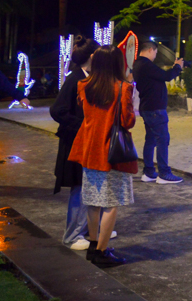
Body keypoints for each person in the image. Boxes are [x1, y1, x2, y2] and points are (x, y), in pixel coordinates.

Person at [67, 46, 136, 268]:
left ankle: (93, 245)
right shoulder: (123, 88)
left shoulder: (83, 85)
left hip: (89, 150)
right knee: (111, 204)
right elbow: (127, 121)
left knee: (93, 202)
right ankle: (102, 252)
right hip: (111, 152)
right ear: (117, 64)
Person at [50, 35, 116, 251]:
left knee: (90, 186)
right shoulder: (75, 79)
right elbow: (57, 111)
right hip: (75, 143)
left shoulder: (90, 77)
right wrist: (84, 124)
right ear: (92, 56)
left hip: (88, 143)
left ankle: (91, 230)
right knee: (79, 188)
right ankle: (71, 235)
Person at [132, 42, 184, 184]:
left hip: (147, 107)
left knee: (151, 140)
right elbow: (166, 76)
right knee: (162, 139)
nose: (155, 56)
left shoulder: (137, 65)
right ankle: (164, 173)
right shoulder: (146, 65)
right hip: (155, 109)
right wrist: (177, 66)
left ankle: (149, 172)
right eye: (155, 52)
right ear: (150, 50)